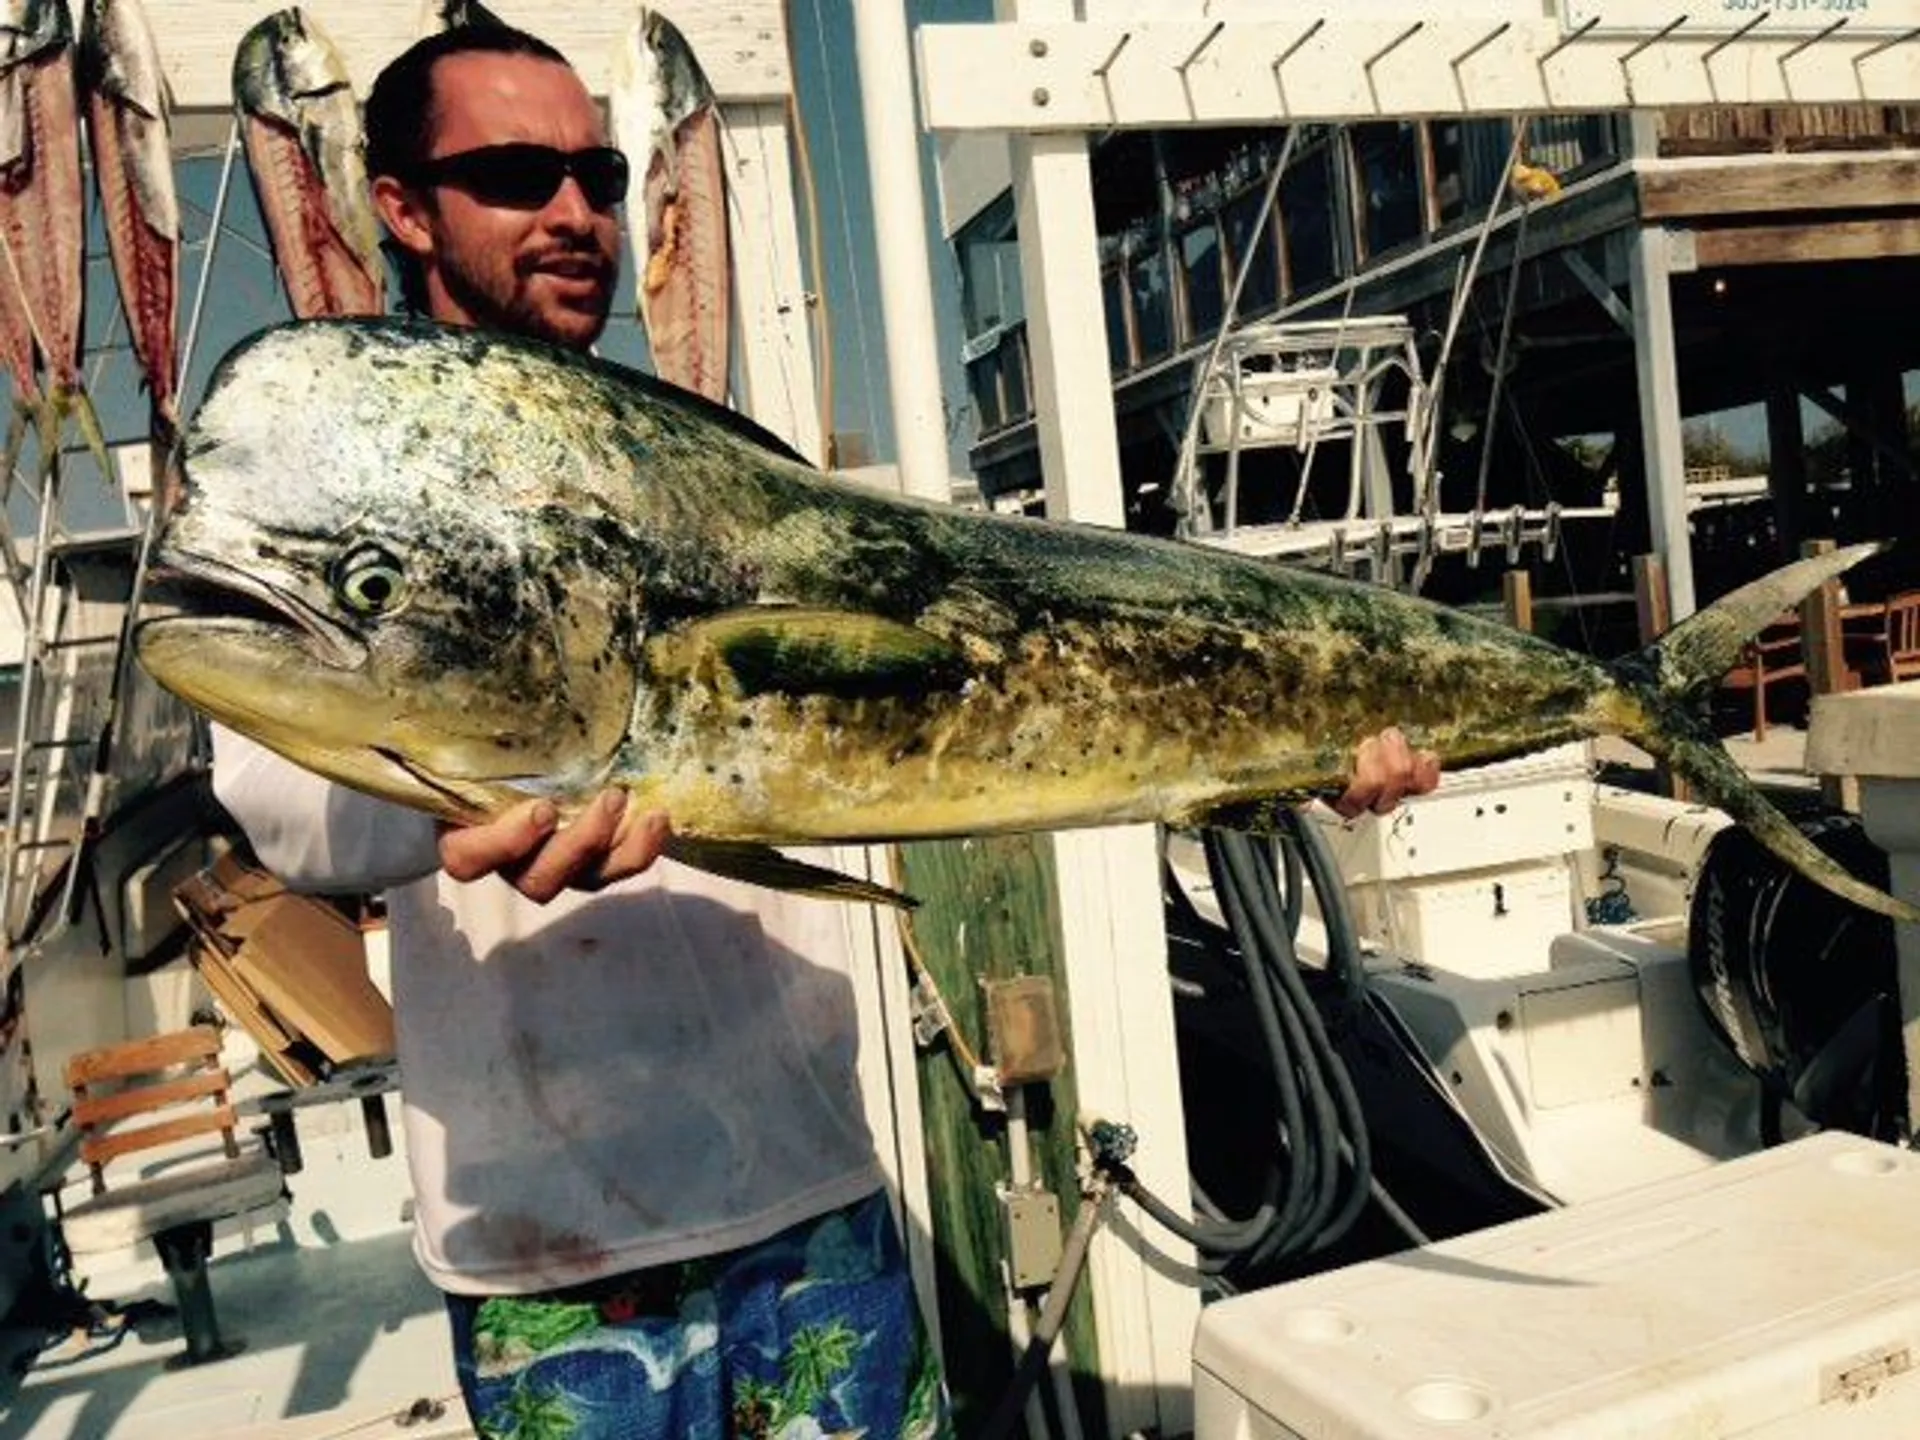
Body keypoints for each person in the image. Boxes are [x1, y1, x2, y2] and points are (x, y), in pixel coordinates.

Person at [211, 23, 1439, 1440]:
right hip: (547, 1246)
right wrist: (458, 807)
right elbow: (278, 805)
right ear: (403, 204)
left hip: (808, 1194)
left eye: (598, 175)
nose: (572, 213)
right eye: (513, 173)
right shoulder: (374, 476)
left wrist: (1292, 751)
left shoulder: (723, 468)